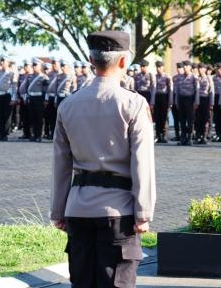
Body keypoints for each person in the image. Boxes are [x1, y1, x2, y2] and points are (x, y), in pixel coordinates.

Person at [50, 30, 155, 288]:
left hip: (78, 209)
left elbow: (61, 164)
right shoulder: (133, 104)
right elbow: (142, 162)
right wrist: (143, 212)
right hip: (118, 211)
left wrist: (58, 210)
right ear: (123, 62)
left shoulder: (68, 105)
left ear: (90, 59)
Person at [19, 58, 49, 142]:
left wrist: (46, 100)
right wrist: (26, 98)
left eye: (36, 65)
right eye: (33, 65)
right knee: (32, 118)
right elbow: (26, 88)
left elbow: (46, 90)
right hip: (31, 99)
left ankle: (39, 135)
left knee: (39, 118)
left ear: (40, 66)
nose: (34, 67)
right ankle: (34, 134)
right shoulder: (30, 77)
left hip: (39, 99)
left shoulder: (44, 77)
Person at [0, 56, 19, 141]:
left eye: (3, 61)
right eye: (1, 61)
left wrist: (13, 97)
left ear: (7, 62)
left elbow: (14, 86)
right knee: (0, 115)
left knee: (7, 116)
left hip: (7, 96)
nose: (1, 62)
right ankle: (1, 134)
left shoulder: (11, 73)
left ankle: (5, 134)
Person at [174, 61, 199, 145]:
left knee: (190, 120)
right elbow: (177, 90)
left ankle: (190, 138)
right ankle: (183, 138)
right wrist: (176, 101)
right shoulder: (179, 77)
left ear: (190, 67)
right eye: (184, 66)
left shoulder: (194, 77)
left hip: (190, 99)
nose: (184, 67)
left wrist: (196, 102)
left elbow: (197, 90)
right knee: (182, 119)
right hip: (181, 99)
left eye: (186, 66)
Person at [152, 60, 173, 143]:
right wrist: (152, 102)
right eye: (157, 67)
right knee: (157, 117)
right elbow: (152, 89)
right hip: (157, 97)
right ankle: (158, 135)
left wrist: (170, 102)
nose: (158, 69)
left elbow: (170, 90)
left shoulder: (167, 77)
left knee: (164, 117)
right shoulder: (154, 76)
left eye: (160, 67)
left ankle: (164, 135)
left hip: (164, 97)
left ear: (163, 67)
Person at [194, 63, 214, 144]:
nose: (200, 69)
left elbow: (211, 91)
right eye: (199, 68)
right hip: (197, 101)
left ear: (205, 69)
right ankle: (198, 136)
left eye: (202, 68)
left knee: (205, 119)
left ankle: (204, 136)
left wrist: (211, 103)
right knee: (197, 119)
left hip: (205, 100)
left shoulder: (208, 78)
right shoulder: (196, 78)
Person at [212, 62, 221, 142]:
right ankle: (218, 134)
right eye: (217, 68)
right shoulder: (213, 78)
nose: (218, 70)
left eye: (220, 68)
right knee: (217, 118)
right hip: (216, 97)